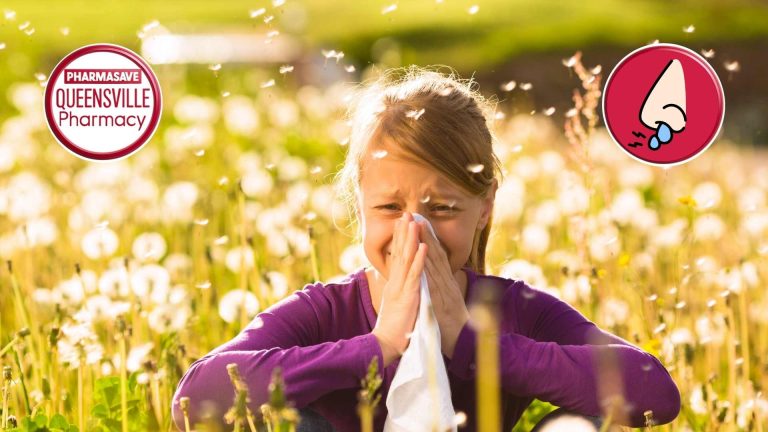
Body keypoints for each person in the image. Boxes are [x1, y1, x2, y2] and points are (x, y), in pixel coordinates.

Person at [171, 66, 681, 431]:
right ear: (360, 205)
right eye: (390, 208)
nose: (414, 232)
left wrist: (475, 344)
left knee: (588, 421)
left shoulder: (513, 310)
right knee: (291, 419)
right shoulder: (325, 310)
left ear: (484, 208)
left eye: (441, 210)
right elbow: (195, 400)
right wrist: (378, 347)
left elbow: (654, 392)